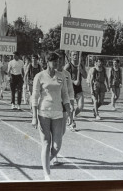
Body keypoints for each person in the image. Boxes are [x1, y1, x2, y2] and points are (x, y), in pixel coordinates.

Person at [31, 52, 71, 180]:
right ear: (48, 62)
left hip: (58, 113)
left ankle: (46, 161)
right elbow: (35, 96)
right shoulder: (39, 76)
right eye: (54, 62)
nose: (57, 64)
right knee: (46, 143)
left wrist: (69, 110)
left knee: (57, 146)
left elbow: (65, 94)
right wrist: (34, 116)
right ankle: (47, 174)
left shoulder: (61, 77)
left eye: (58, 62)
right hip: (44, 112)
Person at [64, 51, 87, 131]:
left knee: (80, 106)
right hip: (70, 88)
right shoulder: (68, 66)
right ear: (70, 56)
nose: (75, 56)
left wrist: (81, 70)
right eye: (73, 55)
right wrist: (73, 81)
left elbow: (85, 76)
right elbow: (63, 75)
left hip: (79, 88)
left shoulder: (80, 64)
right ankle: (72, 122)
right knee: (71, 108)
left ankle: (71, 117)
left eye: (76, 54)